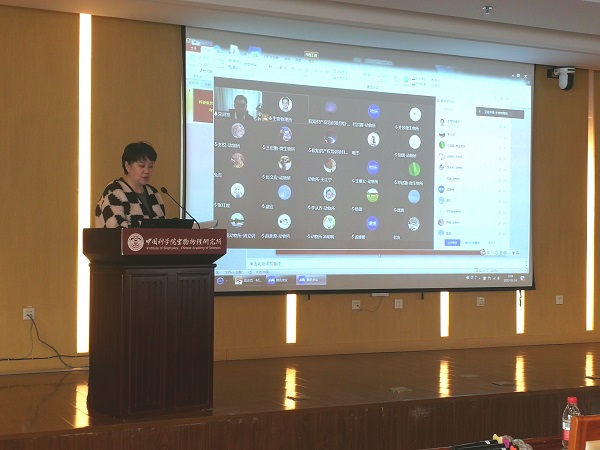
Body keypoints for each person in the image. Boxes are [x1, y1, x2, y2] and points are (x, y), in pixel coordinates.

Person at [95, 141, 166, 228]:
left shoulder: (154, 193)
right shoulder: (114, 191)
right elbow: (115, 229)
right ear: (127, 166)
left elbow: (162, 227)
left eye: (150, 166)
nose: (147, 171)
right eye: (141, 166)